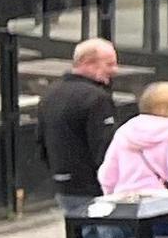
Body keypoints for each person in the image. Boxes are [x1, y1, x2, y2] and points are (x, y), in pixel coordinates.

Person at [38, 37, 120, 207]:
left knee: (75, 232)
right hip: (93, 188)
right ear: (88, 63)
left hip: (63, 185)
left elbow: (41, 140)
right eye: (109, 64)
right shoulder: (97, 98)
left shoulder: (50, 94)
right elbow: (104, 146)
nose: (115, 70)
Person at [98, 80, 168, 195]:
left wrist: (112, 194)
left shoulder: (125, 130)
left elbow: (107, 175)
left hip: (127, 201)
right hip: (165, 202)